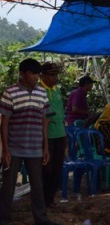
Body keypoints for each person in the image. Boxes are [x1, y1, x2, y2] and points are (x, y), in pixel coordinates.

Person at [0, 58, 60, 225]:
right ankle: (3, 219)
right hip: (14, 146)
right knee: (9, 184)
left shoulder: (42, 93)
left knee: (37, 184)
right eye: (32, 73)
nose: (35, 77)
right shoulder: (10, 92)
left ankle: (41, 218)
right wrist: (5, 149)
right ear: (22, 73)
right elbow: (4, 122)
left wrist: (45, 146)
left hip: (35, 147)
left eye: (37, 73)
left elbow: (44, 120)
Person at [39, 62, 66, 208]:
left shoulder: (57, 90)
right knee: (46, 168)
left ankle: (50, 199)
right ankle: (42, 198)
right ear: (43, 75)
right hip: (46, 135)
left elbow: (61, 112)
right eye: (52, 75)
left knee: (57, 168)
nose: (55, 78)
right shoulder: (38, 90)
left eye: (56, 75)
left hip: (59, 134)